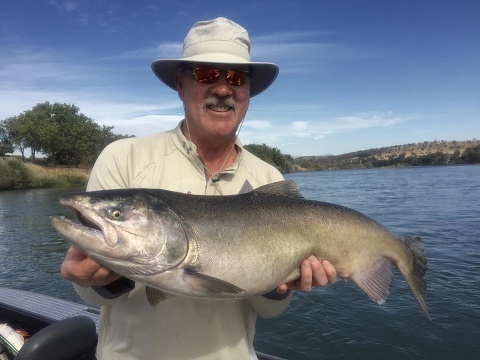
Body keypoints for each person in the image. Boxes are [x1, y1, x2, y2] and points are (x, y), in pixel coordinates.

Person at [61, 17, 337, 360]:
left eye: (236, 78)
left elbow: (269, 312)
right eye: (207, 74)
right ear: (180, 84)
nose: (222, 89)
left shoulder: (267, 178)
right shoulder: (123, 158)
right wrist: (101, 278)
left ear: (247, 92)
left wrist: (284, 287)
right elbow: (89, 296)